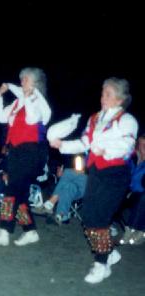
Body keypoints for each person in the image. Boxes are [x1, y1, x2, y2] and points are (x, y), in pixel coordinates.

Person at [50, 77, 138, 283]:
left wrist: (105, 150)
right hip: (96, 173)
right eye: (102, 93)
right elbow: (84, 142)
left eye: (107, 94)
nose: (102, 98)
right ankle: (109, 253)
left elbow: (125, 147)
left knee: (100, 217)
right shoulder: (95, 119)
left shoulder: (127, 121)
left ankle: (101, 264)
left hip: (116, 174)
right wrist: (62, 144)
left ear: (119, 99)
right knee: (88, 216)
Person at [0, 67, 51, 247]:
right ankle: (30, 231)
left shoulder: (39, 103)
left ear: (35, 84)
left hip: (31, 153)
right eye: (21, 79)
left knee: (12, 190)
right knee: (20, 194)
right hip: (16, 152)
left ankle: (4, 230)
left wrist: (29, 97)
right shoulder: (18, 103)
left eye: (26, 80)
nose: (22, 82)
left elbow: (31, 119)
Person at [119, 134, 145, 245]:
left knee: (143, 198)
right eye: (141, 144)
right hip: (128, 191)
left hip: (141, 193)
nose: (142, 146)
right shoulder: (132, 158)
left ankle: (132, 229)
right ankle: (138, 231)